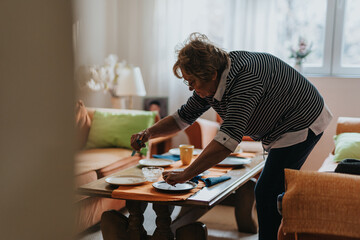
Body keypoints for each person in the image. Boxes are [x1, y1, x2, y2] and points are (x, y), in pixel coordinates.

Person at [131, 32, 332, 240]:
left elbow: (227, 141)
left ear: (211, 75)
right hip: (282, 125)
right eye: (187, 82)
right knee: (273, 189)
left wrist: (186, 174)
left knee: (266, 191)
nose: (190, 87)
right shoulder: (210, 81)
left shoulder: (245, 79)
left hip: (302, 120)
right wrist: (148, 133)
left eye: (192, 81)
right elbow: (182, 117)